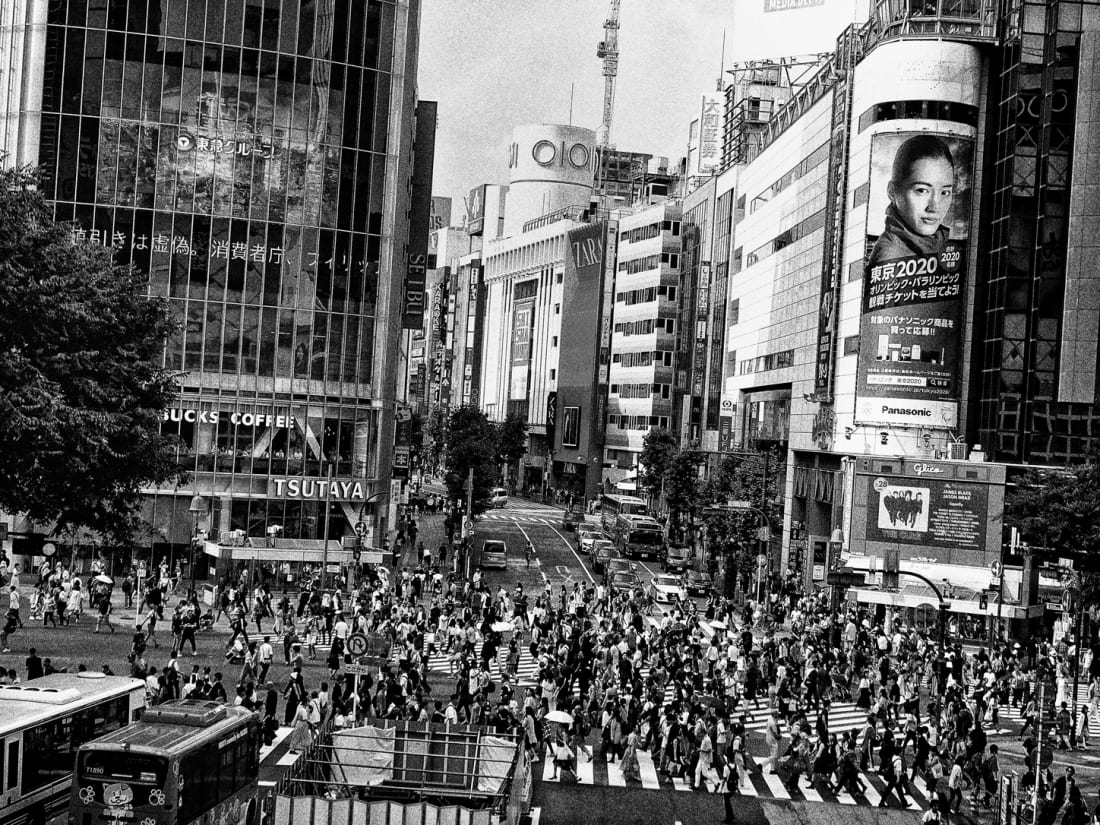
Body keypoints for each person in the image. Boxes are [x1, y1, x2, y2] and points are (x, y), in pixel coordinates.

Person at [868, 133, 956, 271]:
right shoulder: (891, 254)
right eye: (922, 190)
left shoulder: (937, 244)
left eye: (945, 192)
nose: (934, 207)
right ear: (892, 192)